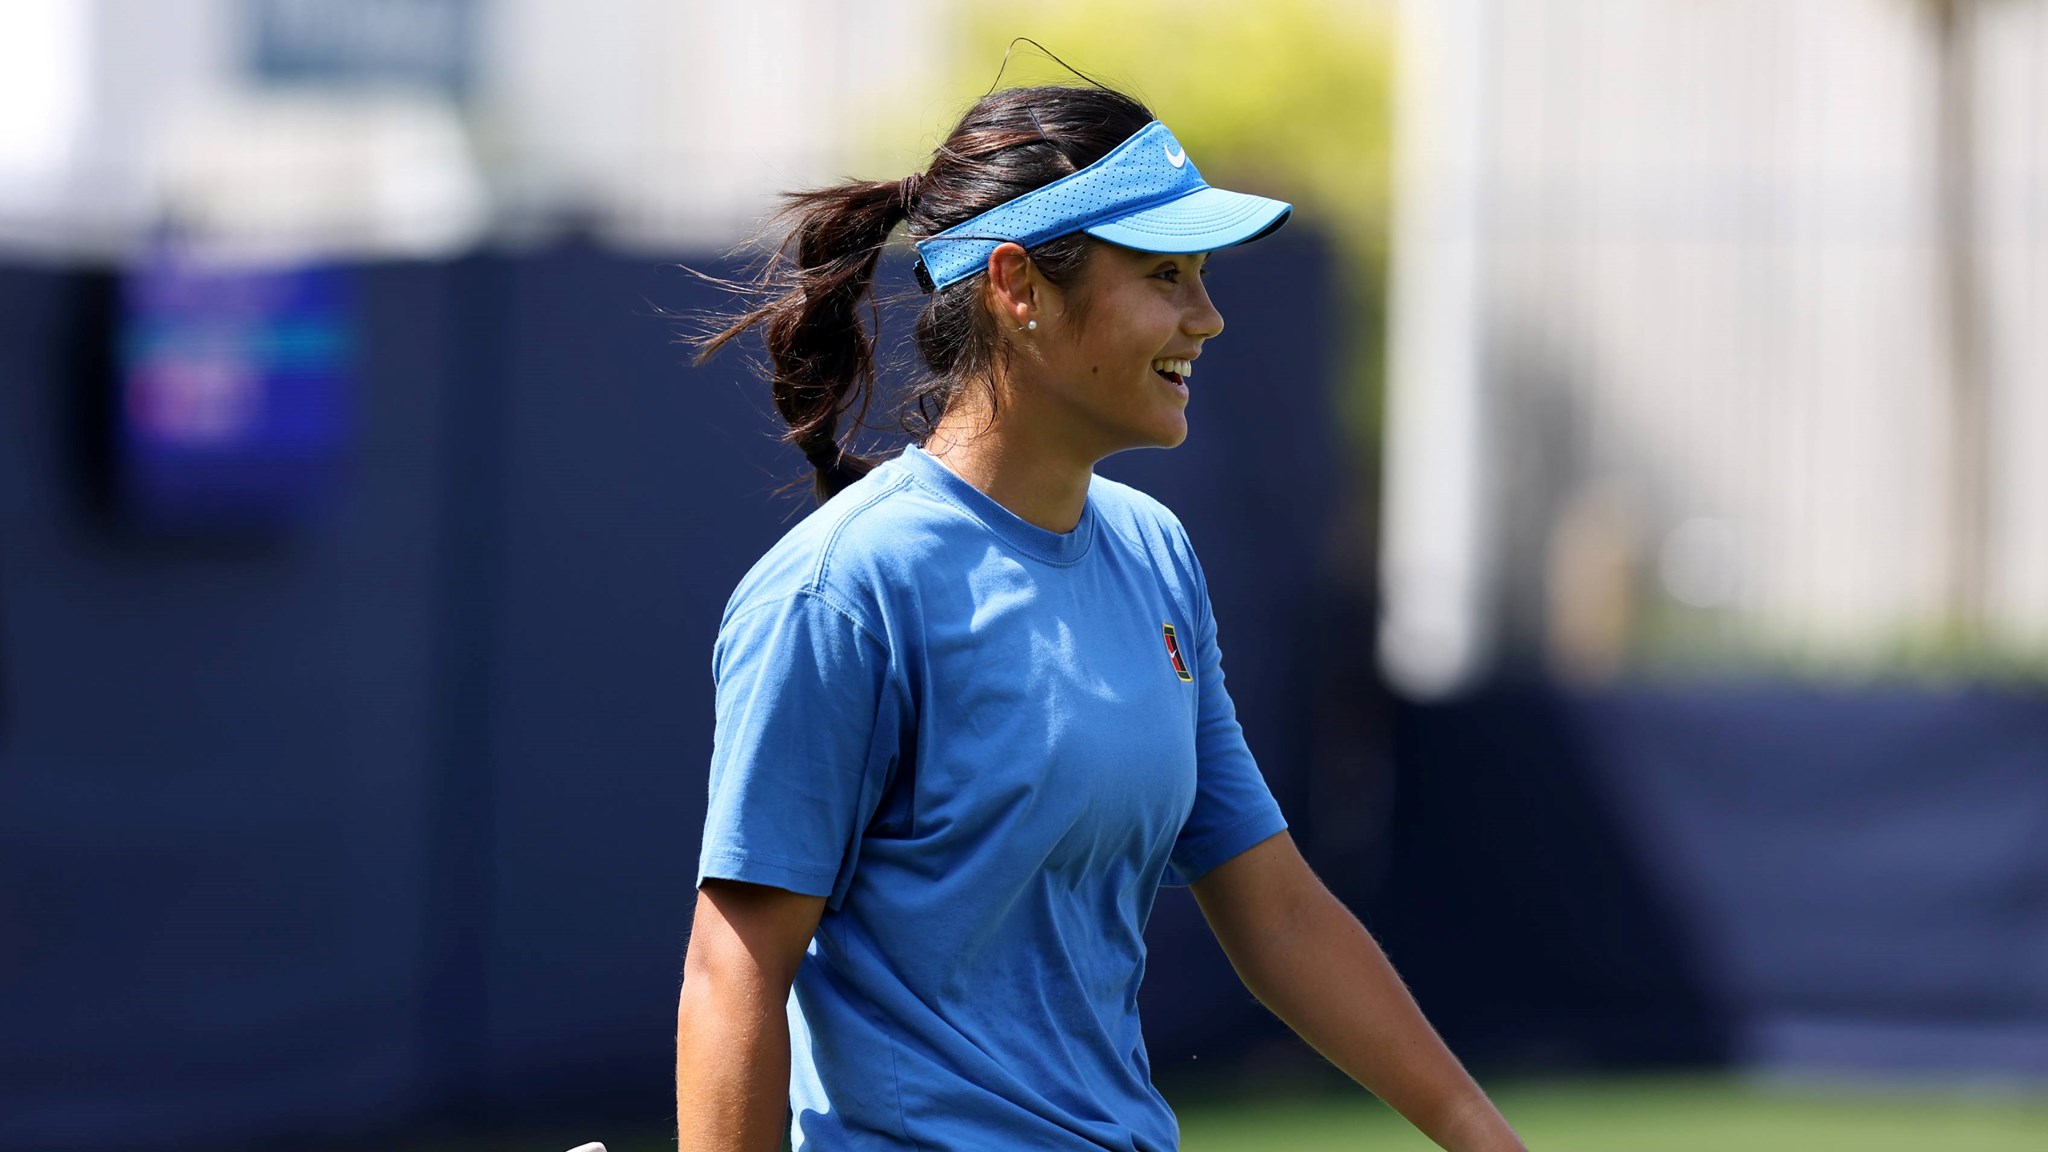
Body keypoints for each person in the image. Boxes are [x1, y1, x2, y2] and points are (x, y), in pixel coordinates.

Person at [675, 80, 1526, 1152]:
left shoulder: (1153, 554)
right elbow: (732, 975)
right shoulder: (842, 591)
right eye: (1163, 276)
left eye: (1202, 275)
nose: (1205, 318)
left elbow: (1277, 910)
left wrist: (1482, 1137)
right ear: (1016, 286)